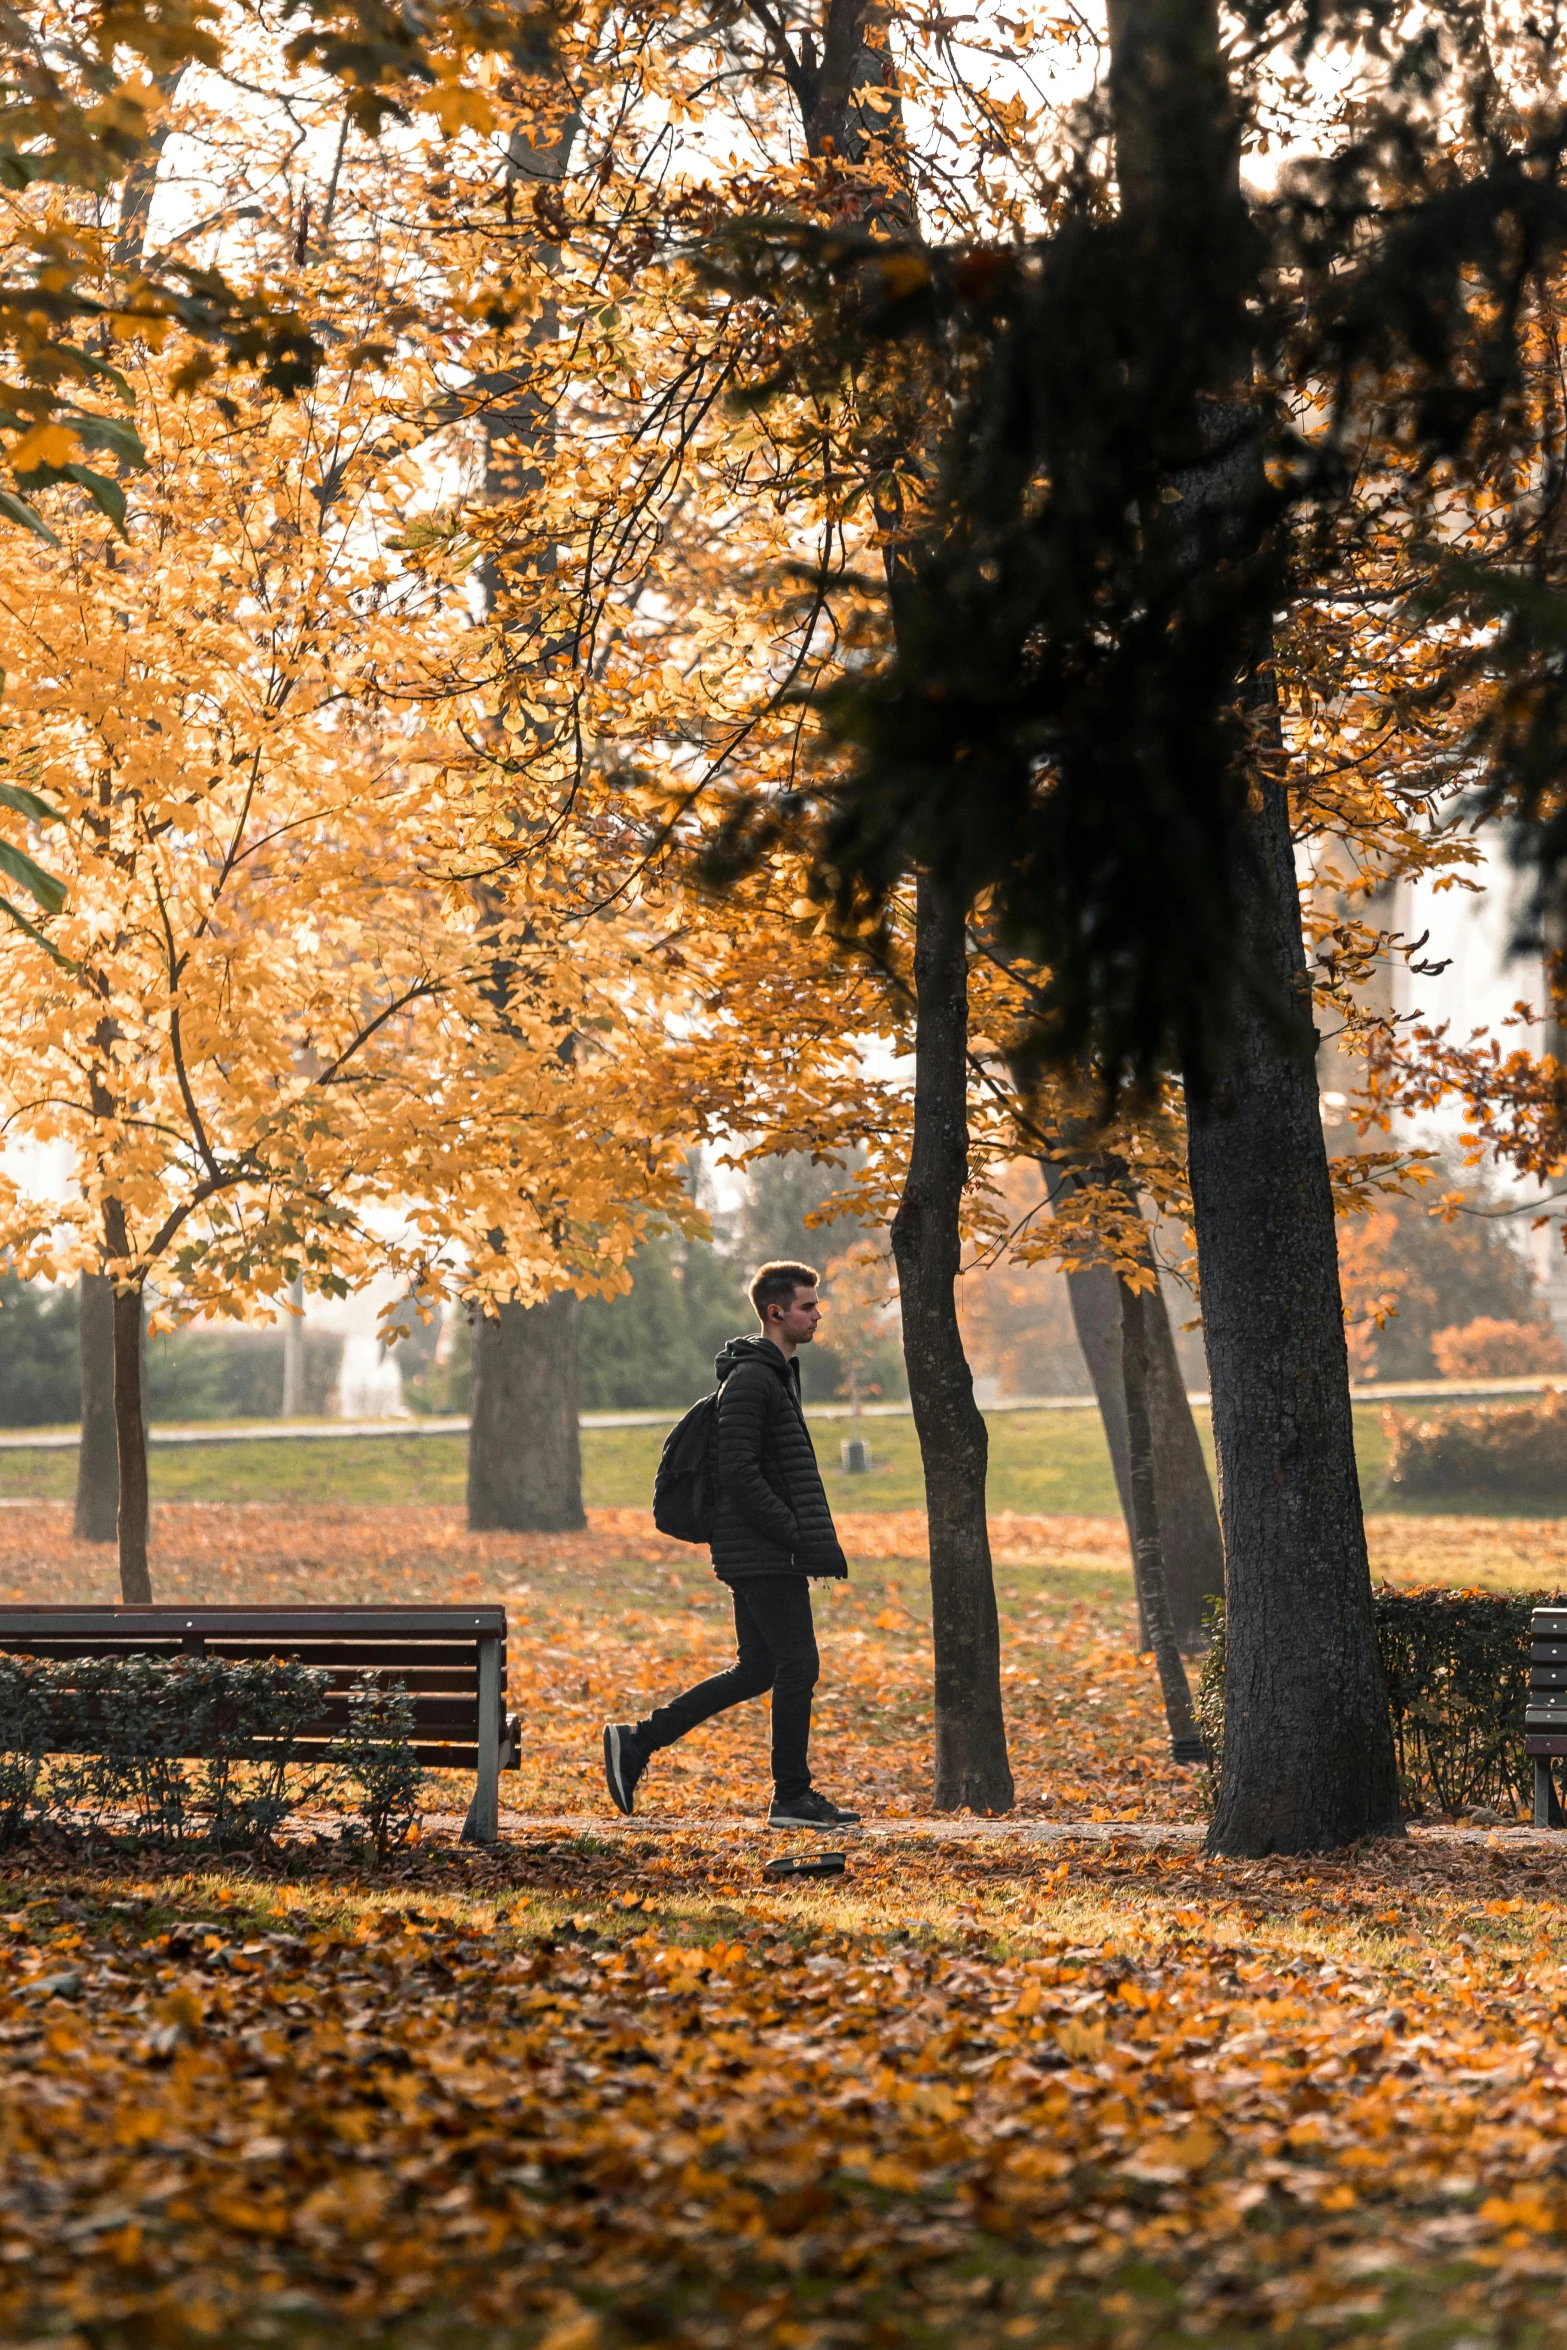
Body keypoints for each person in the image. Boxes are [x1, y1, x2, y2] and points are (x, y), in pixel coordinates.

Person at [602, 1259, 860, 1829]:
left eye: (816, 1304)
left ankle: (638, 1741)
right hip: (761, 1552)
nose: (818, 1315)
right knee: (799, 1664)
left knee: (758, 1668)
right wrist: (794, 1535)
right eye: (807, 1306)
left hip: (762, 1550)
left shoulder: (775, 1375)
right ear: (776, 1312)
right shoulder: (751, 1380)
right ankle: (792, 1797)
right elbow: (739, 1473)